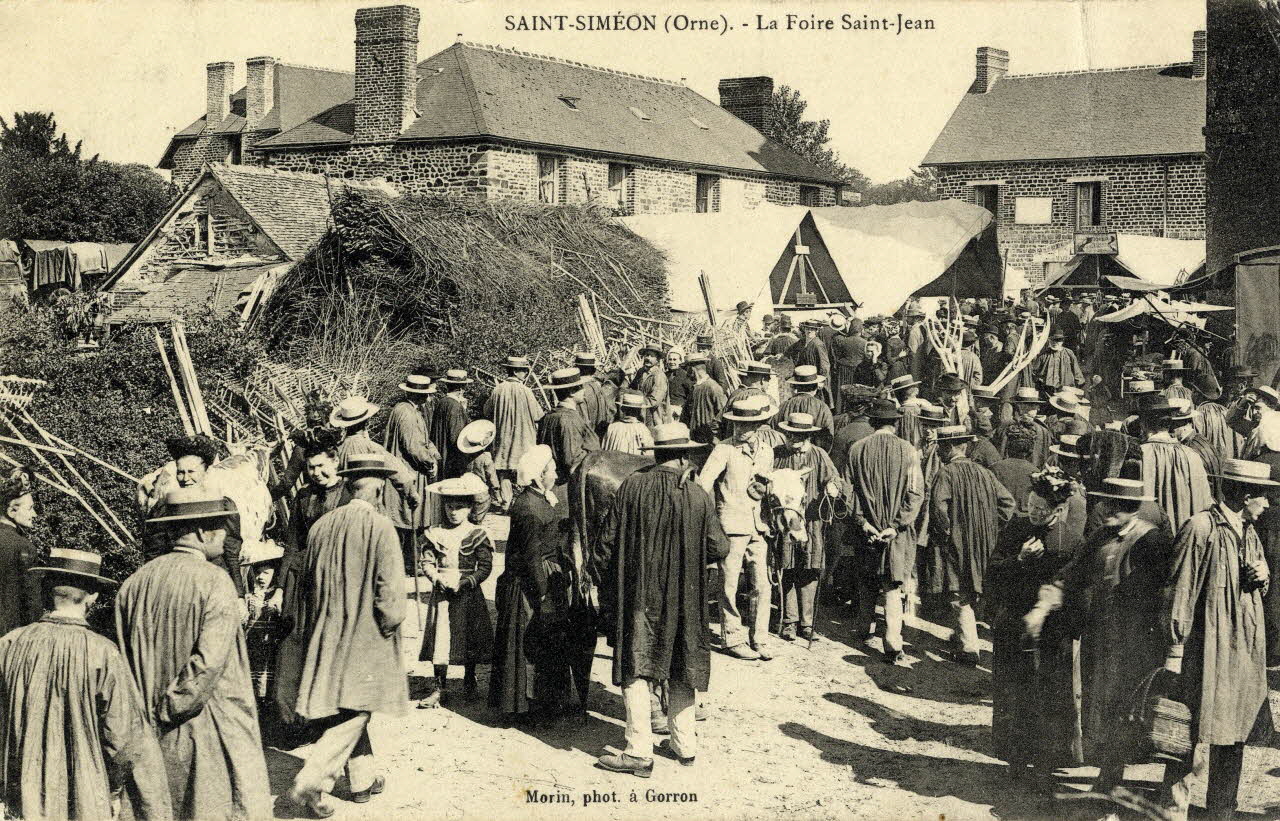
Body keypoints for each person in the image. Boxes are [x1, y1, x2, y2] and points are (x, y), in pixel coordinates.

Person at [115, 488, 271, 821]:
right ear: (203, 531)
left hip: (148, 730)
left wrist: (146, 719)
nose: (226, 535)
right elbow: (207, 665)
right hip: (204, 724)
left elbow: (122, 665)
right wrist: (168, 710)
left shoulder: (132, 584)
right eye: (221, 527)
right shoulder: (215, 582)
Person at [1023, 477, 1172, 797]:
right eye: (1106, 505)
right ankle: (1107, 776)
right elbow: (1069, 577)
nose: (1107, 512)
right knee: (1100, 707)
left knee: (1127, 710)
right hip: (1100, 637)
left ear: (1132, 510)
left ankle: (1112, 780)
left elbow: (1167, 591)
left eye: (1116, 508)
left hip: (1135, 642)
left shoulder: (1152, 541)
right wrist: (1042, 607)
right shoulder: (1099, 538)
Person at [595, 423, 727, 777]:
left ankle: (638, 750)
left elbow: (605, 545)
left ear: (657, 454)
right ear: (684, 454)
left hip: (639, 595)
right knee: (683, 662)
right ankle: (685, 746)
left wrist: (604, 583)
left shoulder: (632, 486)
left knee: (637, 664)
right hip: (686, 596)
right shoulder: (698, 495)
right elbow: (720, 546)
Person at [0, 547, 171, 821]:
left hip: (20, 791)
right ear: (93, 596)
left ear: (48, 590)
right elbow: (121, 737)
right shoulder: (104, 653)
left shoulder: (10, 644)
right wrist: (114, 791)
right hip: (83, 794)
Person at [287, 454, 407, 817]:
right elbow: (390, 595)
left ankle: (362, 781)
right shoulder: (380, 526)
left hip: (326, 630)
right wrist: (390, 625)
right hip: (365, 632)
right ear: (378, 486)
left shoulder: (321, 526)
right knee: (358, 709)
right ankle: (314, 778)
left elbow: (306, 582)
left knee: (347, 705)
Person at [1159, 458, 1274, 821]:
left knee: (1236, 729)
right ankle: (1171, 809)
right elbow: (1180, 590)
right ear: (1246, 494)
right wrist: (1175, 650)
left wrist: (1263, 574)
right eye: (1264, 497)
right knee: (1189, 732)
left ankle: (1222, 810)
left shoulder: (1249, 531)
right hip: (1205, 649)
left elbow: (1258, 587)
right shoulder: (1200, 528)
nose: (1268, 505)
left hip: (1242, 649)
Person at [987, 468, 1084, 788]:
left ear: (1058, 511)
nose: (1034, 513)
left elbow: (1075, 588)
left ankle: (1046, 763)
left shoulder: (1069, 540)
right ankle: (1014, 759)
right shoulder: (1016, 527)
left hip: (1052, 635)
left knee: (1048, 698)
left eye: (1042, 509)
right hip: (1014, 624)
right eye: (1030, 505)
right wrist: (1019, 558)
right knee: (1013, 693)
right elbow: (994, 572)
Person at [928, 425, 1017, 665]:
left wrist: (946, 532)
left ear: (948, 448)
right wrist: (991, 527)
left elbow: (938, 508)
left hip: (957, 541)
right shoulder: (986, 473)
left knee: (959, 592)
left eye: (940, 447)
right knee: (977, 587)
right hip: (985, 541)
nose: (938, 451)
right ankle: (963, 636)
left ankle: (969, 649)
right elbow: (1008, 504)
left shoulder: (946, 473)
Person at [697, 395, 776, 661]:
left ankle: (760, 638)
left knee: (762, 585)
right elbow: (703, 484)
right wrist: (709, 520)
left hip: (758, 526)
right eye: (738, 425)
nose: (743, 430)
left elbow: (766, 487)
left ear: (760, 425)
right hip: (731, 524)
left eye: (749, 425)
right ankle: (732, 638)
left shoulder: (767, 451)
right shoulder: (724, 450)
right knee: (729, 584)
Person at [491, 445, 567, 721]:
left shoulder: (539, 500)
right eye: (552, 470)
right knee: (531, 644)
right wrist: (543, 593)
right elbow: (532, 557)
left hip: (542, 574)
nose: (556, 474)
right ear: (538, 476)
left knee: (544, 644)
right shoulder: (529, 509)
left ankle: (544, 701)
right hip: (529, 585)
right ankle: (526, 706)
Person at [844, 399, 922, 664]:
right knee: (892, 584)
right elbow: (915, 494)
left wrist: (862, 522)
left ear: (871, 422)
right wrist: (895, 525)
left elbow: (848, 491)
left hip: (865, 528)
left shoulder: (857, 450)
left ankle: (862, 628)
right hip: (895, 532)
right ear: (896, 422)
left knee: (866, 578)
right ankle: (892, 641)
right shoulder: (909, 451)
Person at [418, 473, 495, 708]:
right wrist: (436, 578)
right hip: (443, 593)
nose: (453, 512)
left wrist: (467, 581)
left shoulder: (476, 533)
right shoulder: (435, 532)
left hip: (467, 592)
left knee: (469, 635)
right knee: (441, 637)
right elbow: (427, 562)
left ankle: (469, 680)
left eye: (459, 507)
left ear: (470, 508)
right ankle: (439, 686)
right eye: (450, 507)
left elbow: (485, 565)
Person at [143, 435, 246, 595]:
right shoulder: (164, 508)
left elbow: (231, 553)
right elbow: (153, 554)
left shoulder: (223, 505)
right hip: (175, 582)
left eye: (191, 472)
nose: (185, 479)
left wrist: (238, 594)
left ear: (206, 472)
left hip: (215, 582)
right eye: (180, 473)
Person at [774, 412, 845, 643]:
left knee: (810, 570)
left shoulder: (819, 455)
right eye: (791, 434)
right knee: (787, 568)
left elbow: (834, 479)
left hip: (812, 522)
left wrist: (833, 487)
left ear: (808, 436)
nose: (795, 439)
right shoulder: (778, 455)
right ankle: (789, 622)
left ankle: (806, 623)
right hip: (786, 523)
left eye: (800, 435)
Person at [331, 395, 422, 527]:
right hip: (368, 507)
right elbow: (400, 473)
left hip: (340, 507)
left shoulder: (337, 449)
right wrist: (411, 494)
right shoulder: (371, 448)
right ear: (366, 421)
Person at [1137, 395, 1213, 537]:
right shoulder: (1192, 456)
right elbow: (1204, 503)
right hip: (1184, 540)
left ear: (1143, 424)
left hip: (1147, 542)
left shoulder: (1139, 455)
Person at [383, 372, 442, 548]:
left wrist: (435, 454)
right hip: (408, 471)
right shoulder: (406, 413)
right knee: (409, 516)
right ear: (419, 395)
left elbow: (424, 440)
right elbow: (413, 446)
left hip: (409, 469)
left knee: (409, 515)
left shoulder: (409, 410)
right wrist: (430, 462)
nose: (429, 397)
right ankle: (409, 563)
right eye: (426, 394)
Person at [483, 355, 545, 510]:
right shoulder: (526, 391)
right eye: (523, 371)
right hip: (523, 439)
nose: (525, 374)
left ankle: (505, 502)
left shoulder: (497, 390)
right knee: (528, 469)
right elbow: (538, 415)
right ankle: (528, 503)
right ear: (516, 372)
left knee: (503, 471)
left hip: (503, 438)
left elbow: (486, 411)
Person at [288, 428, 351, 557]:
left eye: (321, 466)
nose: (316, 473)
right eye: (311, 467)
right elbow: (293, 542)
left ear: (335, 462)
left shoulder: (349, 493)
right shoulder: (304, 496)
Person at [538, 367, 602, 479]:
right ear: (572, 392)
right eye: (581, 387)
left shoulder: (548, 416)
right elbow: (573, 460)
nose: (584, 390)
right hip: (568, 483)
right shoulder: (569, 419)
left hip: (552, 480)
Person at [0, 467, 38, 636]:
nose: (34, 514)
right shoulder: (23, 547)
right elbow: (31, 605)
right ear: (12, 511)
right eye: (30, 508)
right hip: (8, 638)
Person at [775, 365, 834, 451]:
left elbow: (775, 430)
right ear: (816, 386)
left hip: (787, 455)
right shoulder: (822, 407)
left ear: (795, 386)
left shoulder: (784, 406)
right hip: (814, 457)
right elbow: (828, 437)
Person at [992, 387, 1054, 468]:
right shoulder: (1004, 426)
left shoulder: (1043, 431)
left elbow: (1045, 456)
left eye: (1032, 406)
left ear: (1037, 408)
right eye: (1024, 406)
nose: (1028, 410)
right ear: (1018, 407)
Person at [430, 369, 475, 479]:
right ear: (461, 389)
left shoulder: (441, 402)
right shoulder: (455, 406)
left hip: (439, 453)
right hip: (451, 458)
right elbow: (457, 437)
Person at [457, 419, 501, 519]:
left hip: (466, 491)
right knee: (478, 516)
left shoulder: (463, 458)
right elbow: (493, 479)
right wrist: (497, 495)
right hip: (480, 494)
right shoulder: (486, 459)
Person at [684, 352, 727, 444]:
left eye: (686, 368)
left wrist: (715, 434)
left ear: (692, 369)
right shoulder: (695, 388)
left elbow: (723, 412)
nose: (686, 372)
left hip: (709, 439)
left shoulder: (713, 387)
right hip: (695, 437)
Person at [575, 353, 615, 437]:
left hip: (586, 436)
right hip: (600, 434)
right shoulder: (597, 386)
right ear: (593, 370)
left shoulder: (579, 390)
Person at [631, 344, 669, 426]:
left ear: (657, 360)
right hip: (640, 412)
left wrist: (636, 403)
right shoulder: (640, 372)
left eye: (652, 356)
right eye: (646, 355)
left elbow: (655, 400)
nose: (648, 358)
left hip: (653, 415)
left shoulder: (659, 375)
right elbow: (633, 388)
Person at [665, 348, 693, 419]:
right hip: (665, 409)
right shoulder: (664, 375)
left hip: (679, 411)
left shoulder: (685, 376)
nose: (672, 362)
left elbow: (691, 395)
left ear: (680, 361)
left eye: (675, 359)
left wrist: (682, 408)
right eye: (670, 359)